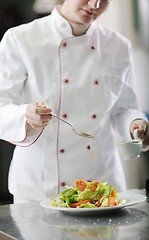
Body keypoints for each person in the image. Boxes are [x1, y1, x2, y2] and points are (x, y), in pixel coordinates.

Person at [0, 0, 149, 204]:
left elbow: (125, 108)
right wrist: (26, 115)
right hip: (41, 186)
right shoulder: (20, 38)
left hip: (101, 185)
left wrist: (135, 124)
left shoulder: (118, 45)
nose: (95, 4)